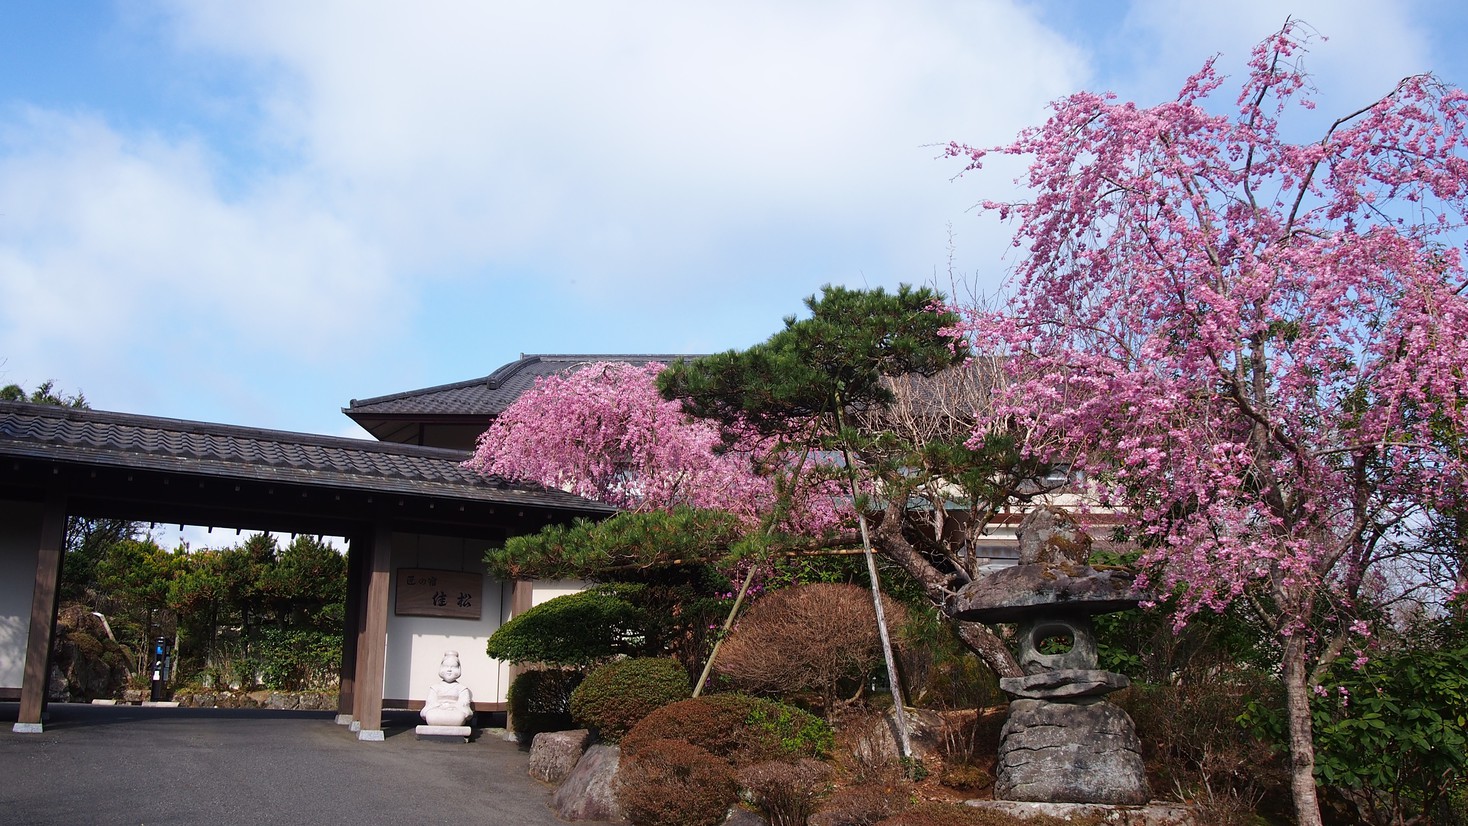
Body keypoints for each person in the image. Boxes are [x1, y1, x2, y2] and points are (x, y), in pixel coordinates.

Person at [420, 651, 474, 727]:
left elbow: (464, 703)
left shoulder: (462, 689)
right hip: (438, 710)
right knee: (430, 715)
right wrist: (441, 705)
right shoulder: (435, 687)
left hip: (454, 711)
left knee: (459, 717)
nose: (449, 670)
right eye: (446, 666)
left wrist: (452, 706)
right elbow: (430, 702)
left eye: (453, 667)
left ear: (459, 668)